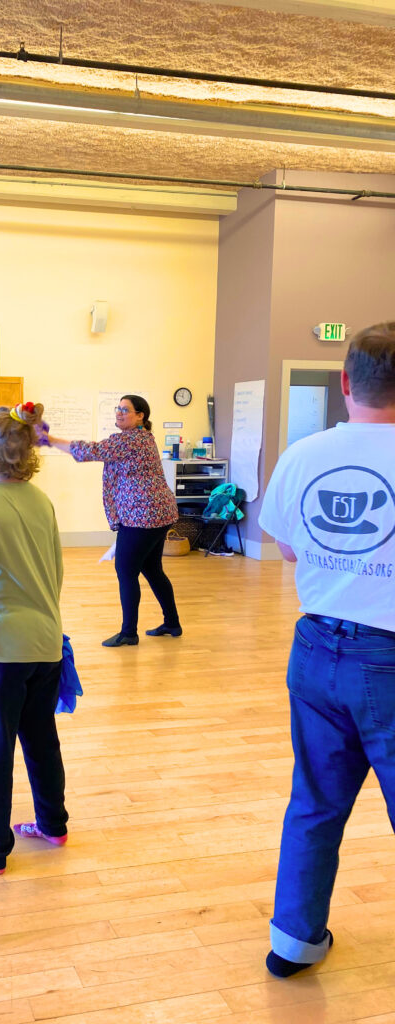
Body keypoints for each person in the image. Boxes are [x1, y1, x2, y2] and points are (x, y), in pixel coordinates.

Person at [258, 322, 395, 978]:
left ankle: (293, 941)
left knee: (314, 800)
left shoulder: (303, 455)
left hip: (314, 649)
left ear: (345, 384)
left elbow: (286, 548)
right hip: (389, 661)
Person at [0, 401, 69, 875]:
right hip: (46, 641)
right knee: (41, 737)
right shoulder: (40, 499)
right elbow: (57, 570)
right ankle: (53, 824)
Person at [41, 394, 181, 647]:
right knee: (152, 569)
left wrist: (49, 440)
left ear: (140, 416)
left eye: (125, 410)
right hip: (159, 513)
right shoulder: (142, 437)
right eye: (118, 408)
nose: (119, 412)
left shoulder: (131, 439)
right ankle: (172, 622)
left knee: (126, 570)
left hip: (143, 516)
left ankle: (129, 633)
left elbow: (91, 451)